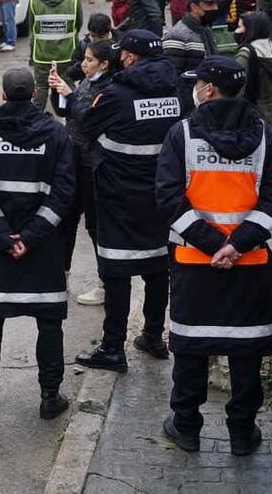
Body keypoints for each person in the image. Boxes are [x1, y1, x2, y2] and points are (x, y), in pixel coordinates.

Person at [156, 56, 272, 456]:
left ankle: (187, 427)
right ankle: (242, 434)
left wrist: (212, 244)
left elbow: (168, 197)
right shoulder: (265, 136)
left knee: (192, 347)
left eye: (199, 82)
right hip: (250, 265)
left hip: (196, 263)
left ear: (209, 89)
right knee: (244, 350)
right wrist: (238, 244)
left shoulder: (182, 134)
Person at [0, 67, 74, 419]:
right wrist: (32, 236)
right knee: (49, 322)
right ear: (33, 96)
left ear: (4, 94)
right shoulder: (55, 134)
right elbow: (64, 192)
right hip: (43, 247)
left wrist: (5, 238)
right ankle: (50, 397)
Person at [75, 30, 180, 374]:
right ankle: (152, 335)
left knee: (116, 271)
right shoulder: (177, 91)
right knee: (156, 266)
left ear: (131, 58)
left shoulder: (115, 96)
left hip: (118, 196)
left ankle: (112, 347)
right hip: (162, 196)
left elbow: (84, 127)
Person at [48, 38, 115, 306]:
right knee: (65, 221)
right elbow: (67, 112)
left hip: (93, 164)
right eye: (84, 59)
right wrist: (58, 91)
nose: (83, 65)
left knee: (95, 225)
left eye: (89, 60)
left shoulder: (109, 89)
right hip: (73, 161)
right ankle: (60, 274)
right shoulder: (87, 82)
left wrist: (70, 93)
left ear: (105, 64)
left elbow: (87, 118)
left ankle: (104, 282)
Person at [26, 0, 82, 108]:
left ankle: (37, 117)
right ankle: (73, 115)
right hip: (67, 52)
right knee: (68, 84)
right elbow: (78, 24)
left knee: (41, 86)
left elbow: (32, 27)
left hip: (42, 54)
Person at [164, 0, 221, 117]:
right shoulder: (177, 35)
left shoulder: (206, 30)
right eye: (209, 4)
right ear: (194, 7)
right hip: (190, 107)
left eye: (215, 4)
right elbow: (172, 75)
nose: (215, 8)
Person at [234, 11, 272, 127]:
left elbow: (237, 88)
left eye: (240, 27)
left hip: (251, 117)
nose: (236, 31)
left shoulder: (246, 54)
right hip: (271, 114)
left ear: (251, 30)